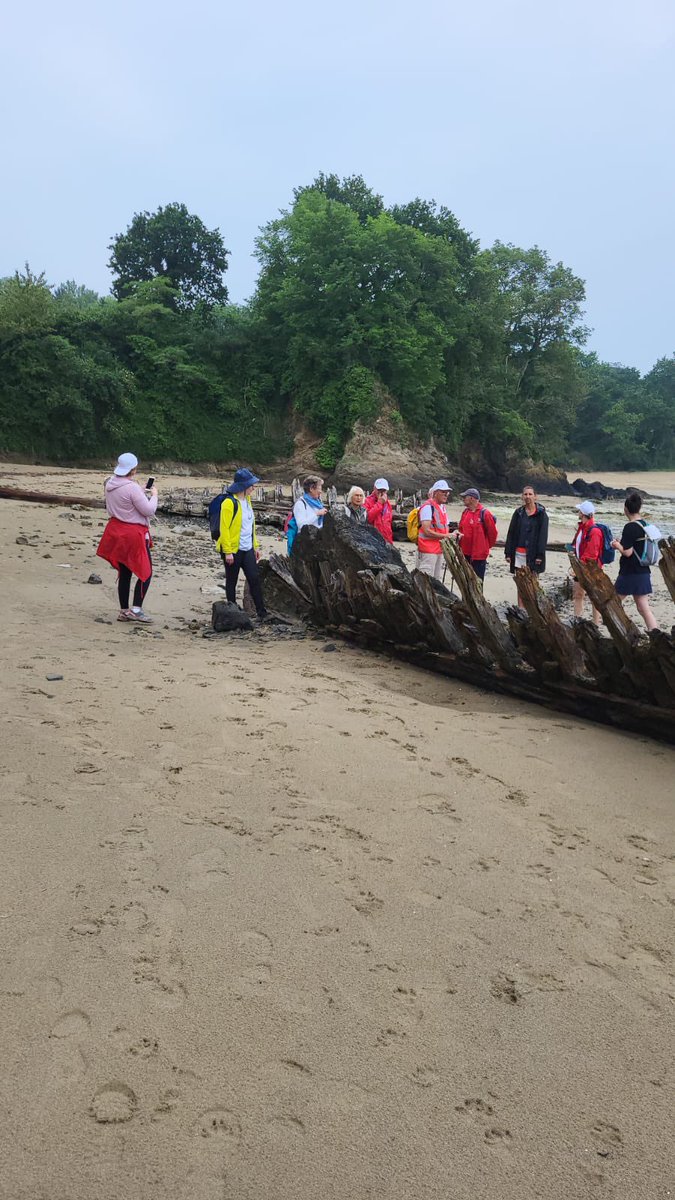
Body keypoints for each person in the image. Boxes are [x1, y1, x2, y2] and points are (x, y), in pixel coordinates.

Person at [96, 452, 157, 622]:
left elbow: (128, 499)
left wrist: (140, 490)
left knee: (125, 573)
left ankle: (124, 610)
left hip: (117, 530)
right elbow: (149, 510)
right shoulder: (132, 488)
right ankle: (136, 610)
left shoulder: (110, 483)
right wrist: (154, 495)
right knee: (146, 572)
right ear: (133, 469)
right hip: (132, 534)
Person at [217, 467, 268, 620]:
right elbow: (223, 528)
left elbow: (251, 526)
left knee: (254, 578)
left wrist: (255, 546)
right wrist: (227, 551)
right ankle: (232, 610)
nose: (254, 487)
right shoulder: (228, 503)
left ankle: (262, 613)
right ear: (243, 486)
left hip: (247, 548)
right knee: (231, 581)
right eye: (251, 485)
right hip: (232, 549)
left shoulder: (248, 501)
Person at [611, 492, 659, 631]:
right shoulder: (646, 525)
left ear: (626, 509)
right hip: (643, 570)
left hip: (630, 571)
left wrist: (616, 545)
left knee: (613, 602)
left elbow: (627, 552)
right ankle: (655, 633)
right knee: (644, 608)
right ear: (639, 508)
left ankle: (620, 629)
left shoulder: (630, 527)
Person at [504, 486, 549, 608]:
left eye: (530, 494)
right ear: (522, 496)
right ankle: (521, 609)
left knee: (533, 583)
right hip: (518, 553)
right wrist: (508, 553)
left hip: (534, 554)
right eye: (525, 494)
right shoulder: (518, 513)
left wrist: (540, 555)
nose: (528, 497)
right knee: (520, 583)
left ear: (535, 496)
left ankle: (534, 609)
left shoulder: (541, 515)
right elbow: (511, 533)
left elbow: (543, 536)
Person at [572, 500, 604, 625]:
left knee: (594, 598)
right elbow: (578, 545)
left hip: (590, 569)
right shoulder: (582, 528)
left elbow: (592, 554)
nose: (578, 512)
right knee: (578, 595)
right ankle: (577, 621)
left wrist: (579, 565)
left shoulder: (594, 531)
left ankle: (595, 624)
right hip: (580, 566)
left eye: (579, 510)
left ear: (583, 513)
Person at [457, 488, 498, 582]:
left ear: (471, 498)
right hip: (465, 553)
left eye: (465, 497)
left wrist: (485, 547)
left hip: (479, 555)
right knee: (465, 582)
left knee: (477, 582)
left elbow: (492, 533)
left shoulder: (485, 513)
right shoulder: (465, 512)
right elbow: (461, 529)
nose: (463, 499)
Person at [417, 480, 452, 579]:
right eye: (443, 492)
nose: (446, 494)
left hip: (438, 549)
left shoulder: (442, 508)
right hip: (428, 550)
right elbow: (426, 530)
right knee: (426, 579)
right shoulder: (428, 507)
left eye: (447, 492)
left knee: (435, 580)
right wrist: (446, 536)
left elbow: (445, 527)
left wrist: (450, 535)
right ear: (435, 493)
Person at [364, 478, 394, 543]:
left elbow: (389, 523)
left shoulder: (387, 504)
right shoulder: (367, 501)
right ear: (374, 489)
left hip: (387, 540)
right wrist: (379, 503)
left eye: (384, 490)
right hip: (373, 540)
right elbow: (368, 518)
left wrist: (390, 542)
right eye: (379, 490)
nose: (381, 492)